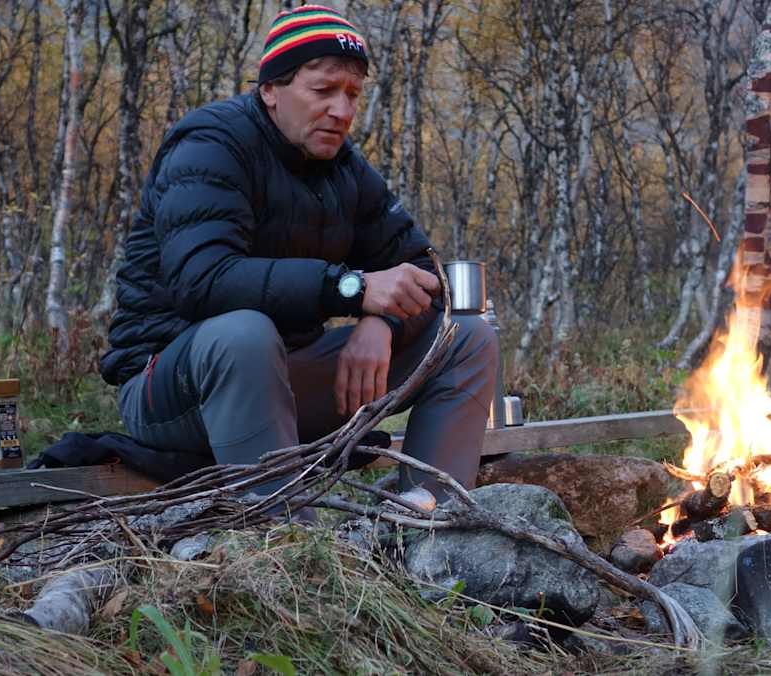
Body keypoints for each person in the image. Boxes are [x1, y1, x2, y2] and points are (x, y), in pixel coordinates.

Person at [98, 4, 497, 501]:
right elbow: (203, 280)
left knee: (466, 337)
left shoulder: (344, 168)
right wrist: (352, 290)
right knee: (244, 333)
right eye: (323, 90)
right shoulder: (210, 144)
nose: (342, 110)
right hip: (172, 387)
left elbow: (422, 271)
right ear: (270, 89)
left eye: (352, 94)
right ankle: (285, 536)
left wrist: (383, 323)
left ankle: (429, 520)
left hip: (284, 378)